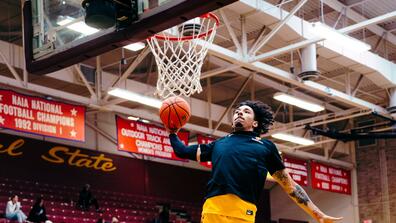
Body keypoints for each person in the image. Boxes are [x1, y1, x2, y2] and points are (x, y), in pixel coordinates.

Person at [168, 100, 343, 223]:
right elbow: (182, 150)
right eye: (237, 111)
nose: (239, 113)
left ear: (255, 123)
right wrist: (172, 132)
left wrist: (317, 214)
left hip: (243, 214)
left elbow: (290, 185)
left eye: (246, 111)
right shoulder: (219, 144)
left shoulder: (266, 147)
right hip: (214, 211)